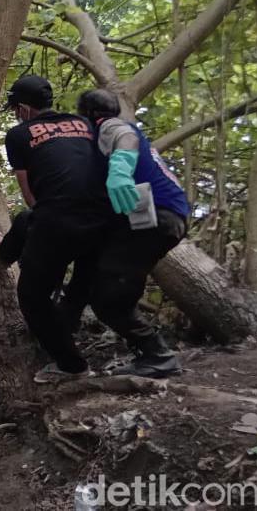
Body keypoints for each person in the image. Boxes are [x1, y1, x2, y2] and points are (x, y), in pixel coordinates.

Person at [0, 74, 116, 383]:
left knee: (31, 295)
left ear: (23, 109)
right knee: (79, 285)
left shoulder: (19, 135)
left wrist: (43, 241)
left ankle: (71, 365)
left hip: (60, 219)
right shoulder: (85, 124)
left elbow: (31, 196)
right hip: (107, 217)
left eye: (15, 109)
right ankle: (63, 330)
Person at [77, 88, 187, 377]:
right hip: (164, 218)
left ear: (87, 116)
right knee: (112, 288)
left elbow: (123, 139)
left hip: (157, 218)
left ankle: (158, 355)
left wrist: (120, 170)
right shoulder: (121, 133)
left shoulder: (110, 127)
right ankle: (152, 353)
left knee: (108, 298)